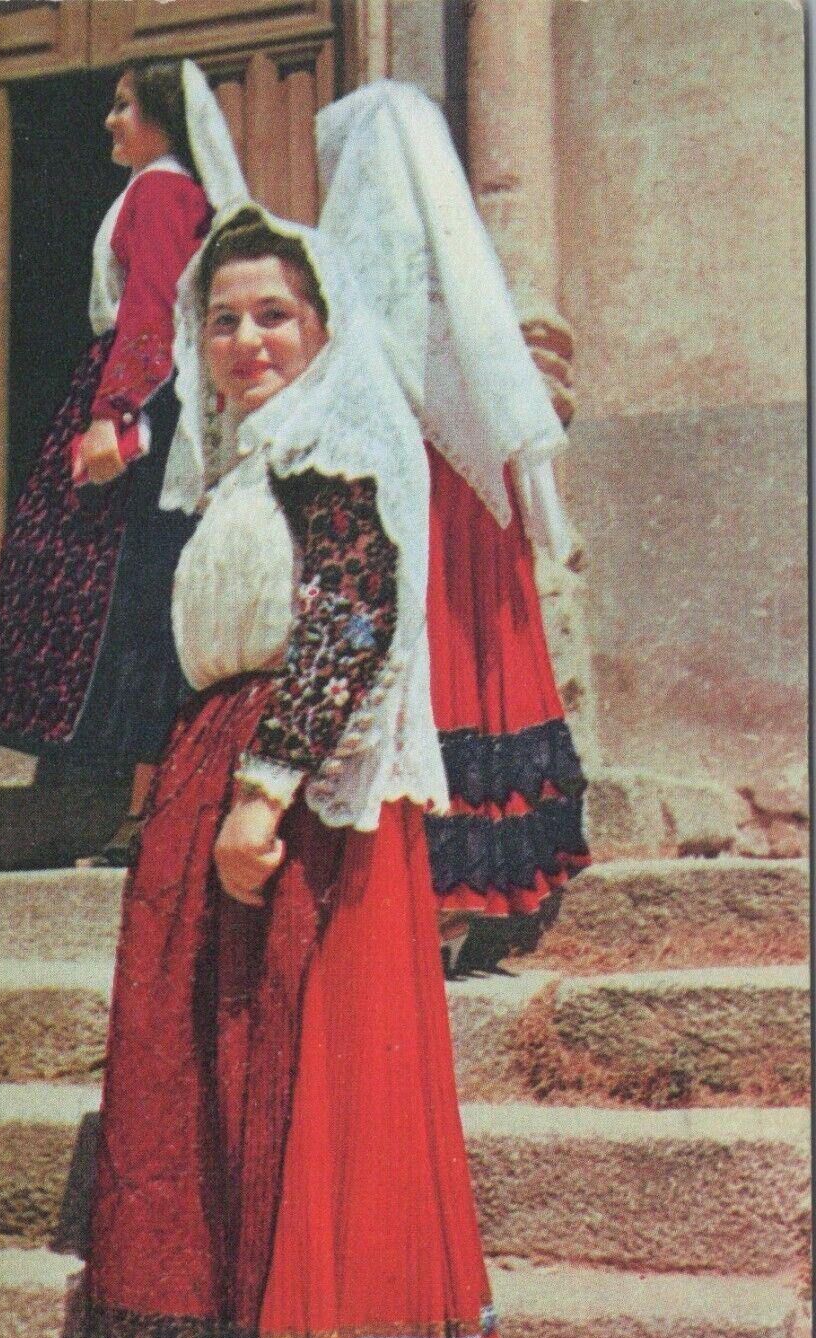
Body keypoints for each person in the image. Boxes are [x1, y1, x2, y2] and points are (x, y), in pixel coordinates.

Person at [58, 203, 509, 1338]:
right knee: (211, 1096)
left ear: (320, 329)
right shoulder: (249, 459)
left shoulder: (329, 440)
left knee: (287, 1099)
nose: (248, 340)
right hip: (226, 769)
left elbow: (353, 612)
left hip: (297, 802)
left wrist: (262, 793)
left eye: (274, 316)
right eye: (224, 319)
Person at [316, 83, 591, 967]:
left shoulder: (357, 285)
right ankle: (464, 896)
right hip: (469, 494)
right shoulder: (468, 293)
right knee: (470, 663)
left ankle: (430, 899)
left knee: (436, 666)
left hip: (421, 500)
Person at [0, 60, 246, 858]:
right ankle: (119, 781)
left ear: (161, 118)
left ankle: (146, 803)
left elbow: (152, 306)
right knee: (121, 592)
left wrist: (115, 414)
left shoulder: (161, 191)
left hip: (134, 398)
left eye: (123, 107)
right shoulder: (154, 190)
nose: (109, 121)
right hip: (135, 390)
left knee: (135, 593)